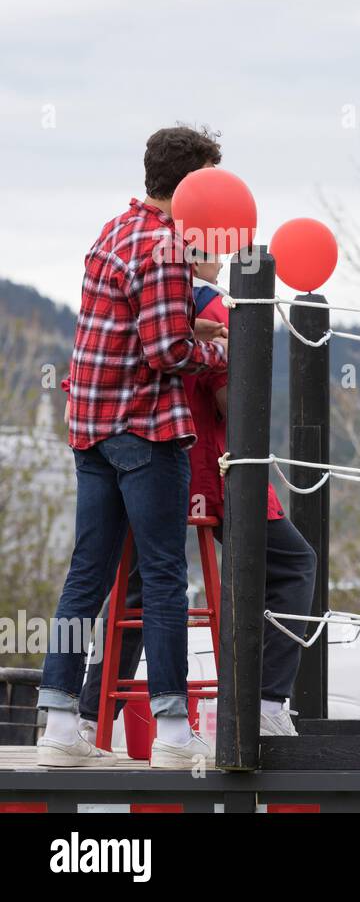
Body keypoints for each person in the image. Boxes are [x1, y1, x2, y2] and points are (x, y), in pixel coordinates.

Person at [37, 126, 228, 769]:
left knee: (85, 576)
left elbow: (135, 320)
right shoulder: (169, 244)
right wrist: (218, 348)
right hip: (145, 429)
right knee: (167, 579)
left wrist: (186, 323)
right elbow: (165, 351)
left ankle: (59, 720)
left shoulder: (114, 231)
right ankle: (176, 735)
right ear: (192, 184)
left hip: (90, 426)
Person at [76, 253, 318, 741]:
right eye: (216, 251)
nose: (224, 262)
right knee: (294, 564)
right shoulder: (221, 310)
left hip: (142, 461)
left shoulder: (141, 300)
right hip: (214, 472)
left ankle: (88, 716)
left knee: (140, 589)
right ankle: (266, 702)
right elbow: (232, 402)